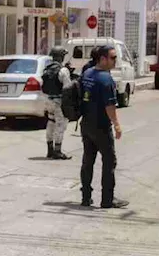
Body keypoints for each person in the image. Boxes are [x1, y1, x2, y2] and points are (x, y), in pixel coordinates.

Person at [78, 44, 127, 209]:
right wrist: (117, 125)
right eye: (112, 58)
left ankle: (86, 197)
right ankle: (107, 199)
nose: (115, 61)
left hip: (86, 124)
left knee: (88, 161)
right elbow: (110, 106)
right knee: (109, 161)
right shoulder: (106, 79)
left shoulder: (87, 73)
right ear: (103, 59)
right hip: (101, 126)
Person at [41, 46, 72, 160]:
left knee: (50, 123)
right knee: (60, 125)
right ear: (61, 57)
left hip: (48, 101)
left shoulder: (46, 69)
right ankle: (57, 151)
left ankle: (49, 150)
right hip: (59, 102)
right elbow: (67, 88)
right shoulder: (63, 70)